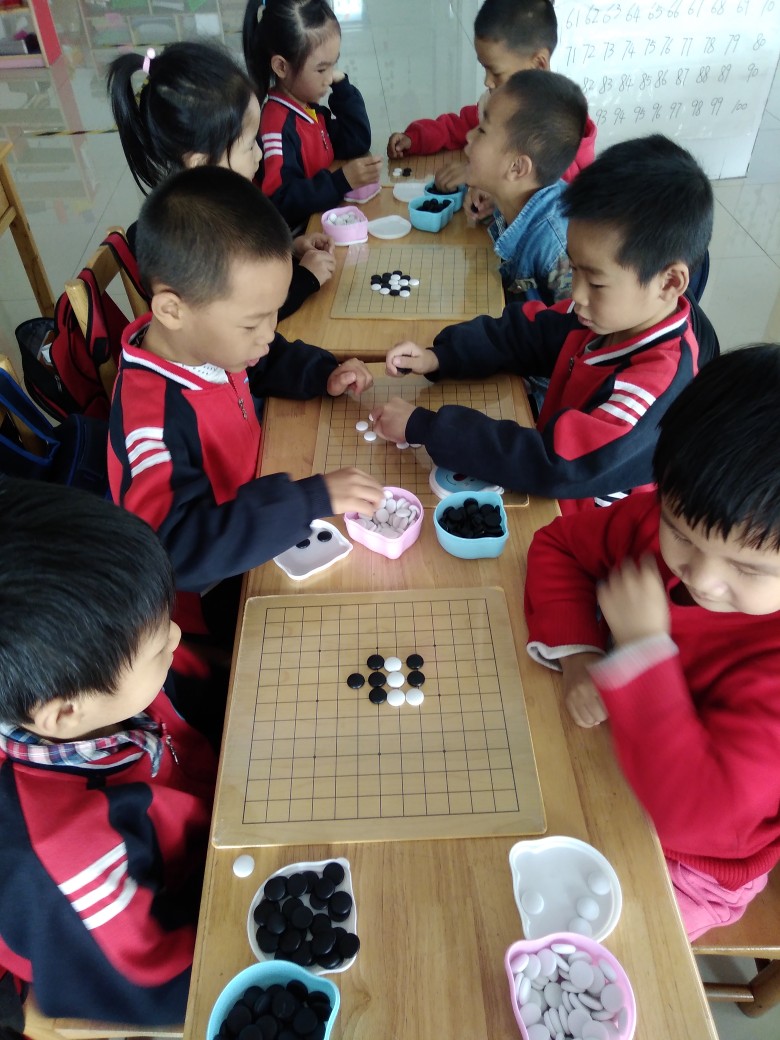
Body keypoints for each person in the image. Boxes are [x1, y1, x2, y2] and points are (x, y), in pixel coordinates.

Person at [524, 344, 780, 940]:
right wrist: (581, 655)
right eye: (680, 533)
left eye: (748, 569)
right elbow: (559, 546)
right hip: (610, 759)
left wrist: (642, 651)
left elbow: (696, 814)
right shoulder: (659, 521)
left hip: (694, 863)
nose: (702, 576)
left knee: (595, 952)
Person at [108, 167, 383, 684]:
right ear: (171, 308)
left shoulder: (206, 341)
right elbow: (178, 551)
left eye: (273, 314)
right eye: (253, 322)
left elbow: (267, 356)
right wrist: (309, 500)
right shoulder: (151, 424)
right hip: (213, 593)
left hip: (258, 513)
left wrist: (322, 372)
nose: (267, 334)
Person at [371, 135, 717, 514]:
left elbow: (553, 463)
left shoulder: (650, 390)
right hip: (550, 493)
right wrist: (440, 356)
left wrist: (427, 427)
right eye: (575, 269)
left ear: (669, 283)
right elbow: (525, 333)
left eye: (596, 281)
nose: (577, 294)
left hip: (585, 528)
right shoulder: (609, 316)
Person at [0, 478, 216, 1023]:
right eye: (157, 647)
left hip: (223, 817)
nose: (176, 637)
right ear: (64, 713)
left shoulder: (101, 684)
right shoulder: (60, 855)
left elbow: (203, 691)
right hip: (188, 921)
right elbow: (168, 983)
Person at [107, 40, 335, 322]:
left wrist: (290, 249)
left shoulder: (218, 201)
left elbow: (251, 260)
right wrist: (306, 278)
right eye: (249, 145)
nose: (260, 154)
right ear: (201, 162)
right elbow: (244, 317)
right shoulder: (193, 240)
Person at [387, 0, 596, 219]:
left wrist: (484, 180)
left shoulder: (560, 123)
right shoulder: (499, 102)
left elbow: (553, 198)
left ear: (538, 64)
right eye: (484, 68)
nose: (487, 81)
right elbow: (457, 126)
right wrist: (415, 138)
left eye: (495, 72)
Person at [243, 0, 381, 229]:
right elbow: (280, 200)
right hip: (297, 238)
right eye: (321, 69)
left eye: (333, 65)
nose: (329, 78)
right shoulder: (276, 125)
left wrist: (342, 86)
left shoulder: (309, 110)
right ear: (281, 67)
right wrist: (339, 182)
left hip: (319, 222)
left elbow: (356, 141)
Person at [463, 69, 588, 307]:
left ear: (517, 168)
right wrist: (490, 198)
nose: (469, 136)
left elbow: (573, 323)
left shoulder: (556, 247)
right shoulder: (513, 194)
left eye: (482, 131)